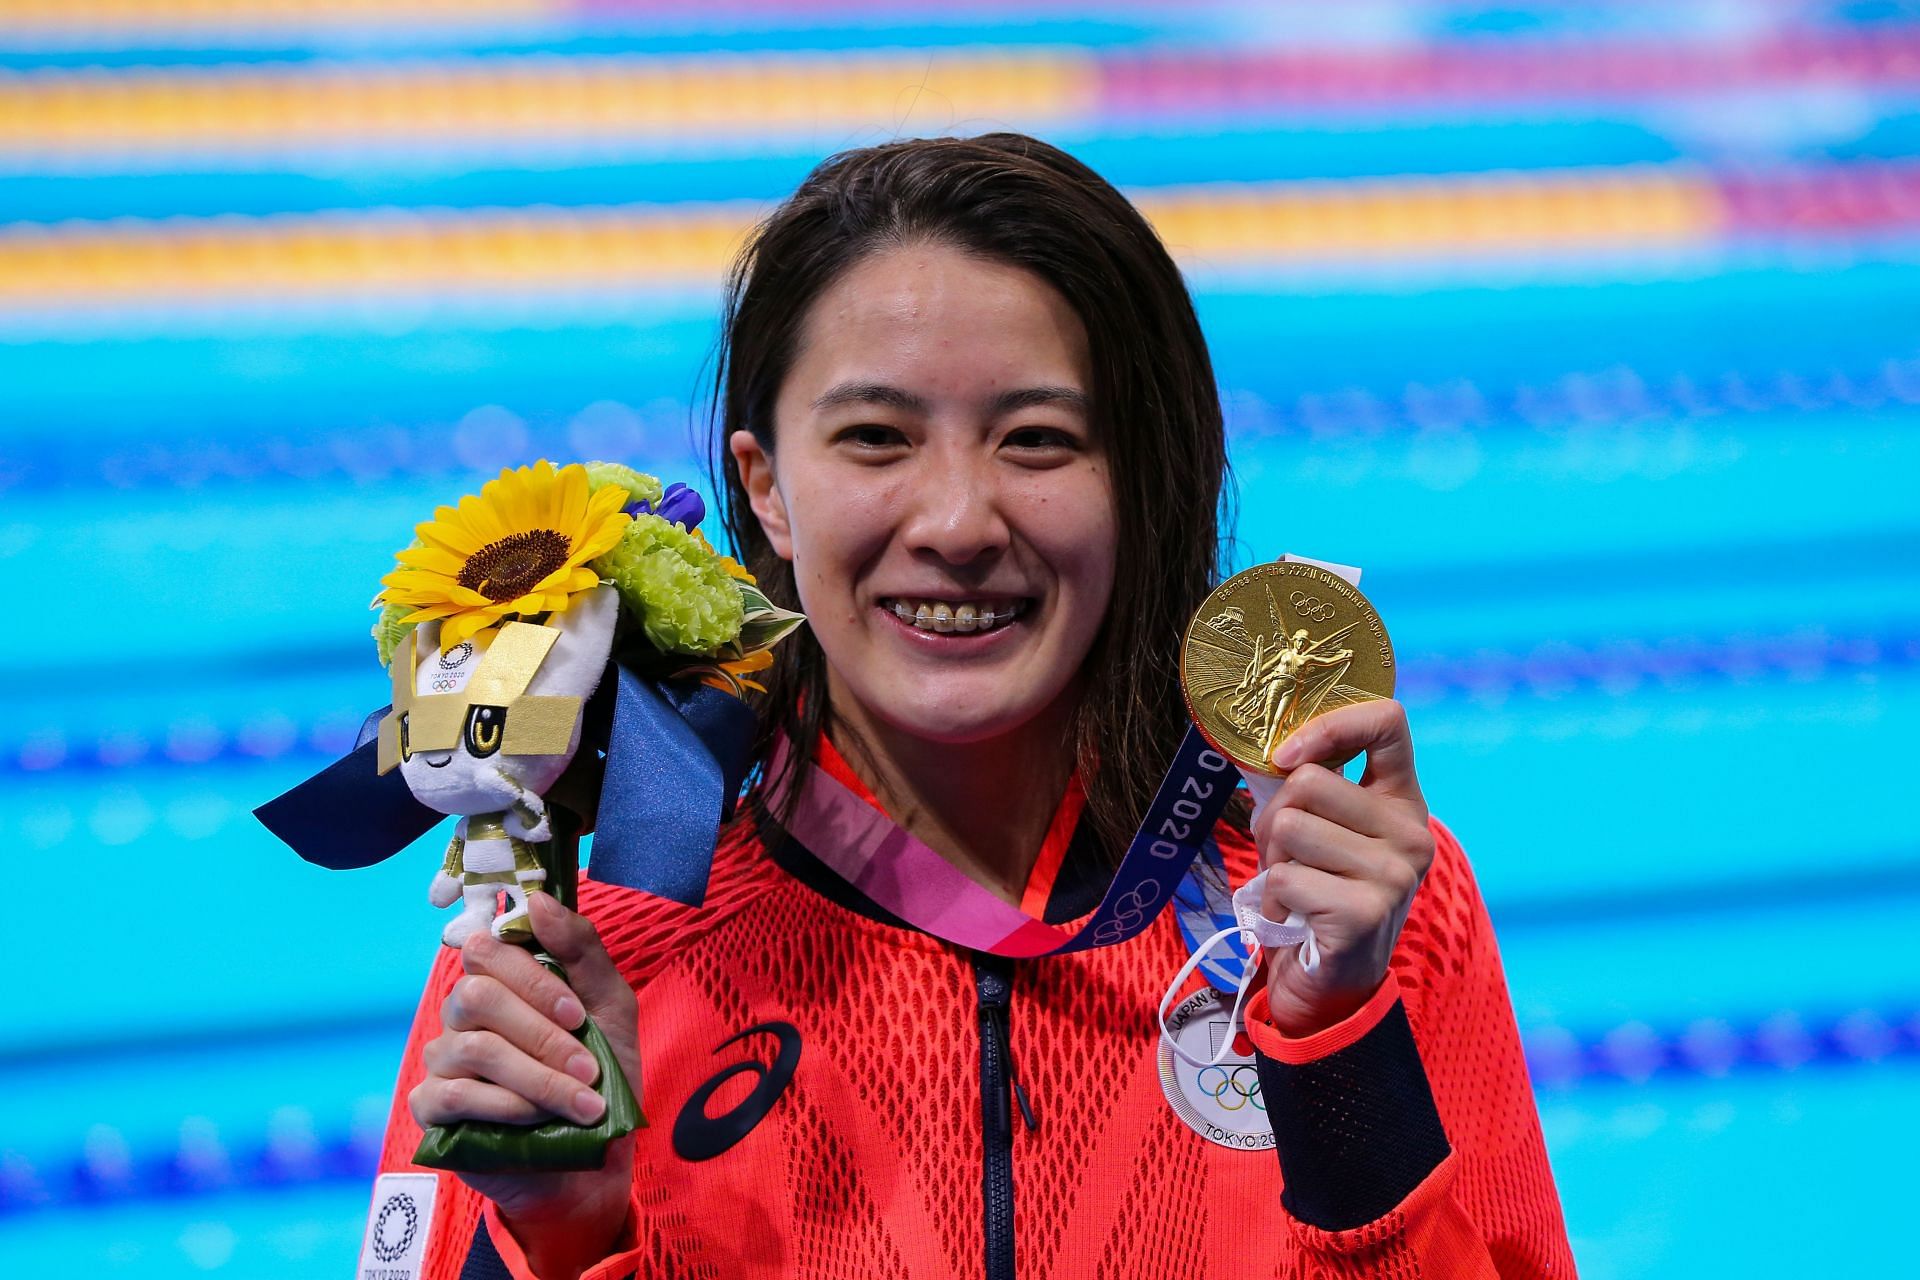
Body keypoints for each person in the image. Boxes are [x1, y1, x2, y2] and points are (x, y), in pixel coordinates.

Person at [376, 133, 1576, 1279]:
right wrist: (568, 1234)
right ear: (767, 487)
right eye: (876, 436)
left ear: (1140, 481)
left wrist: (1340, 1045)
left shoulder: (1345, 904)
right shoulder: (578, 946)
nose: (956, 521)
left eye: (1037, 440)